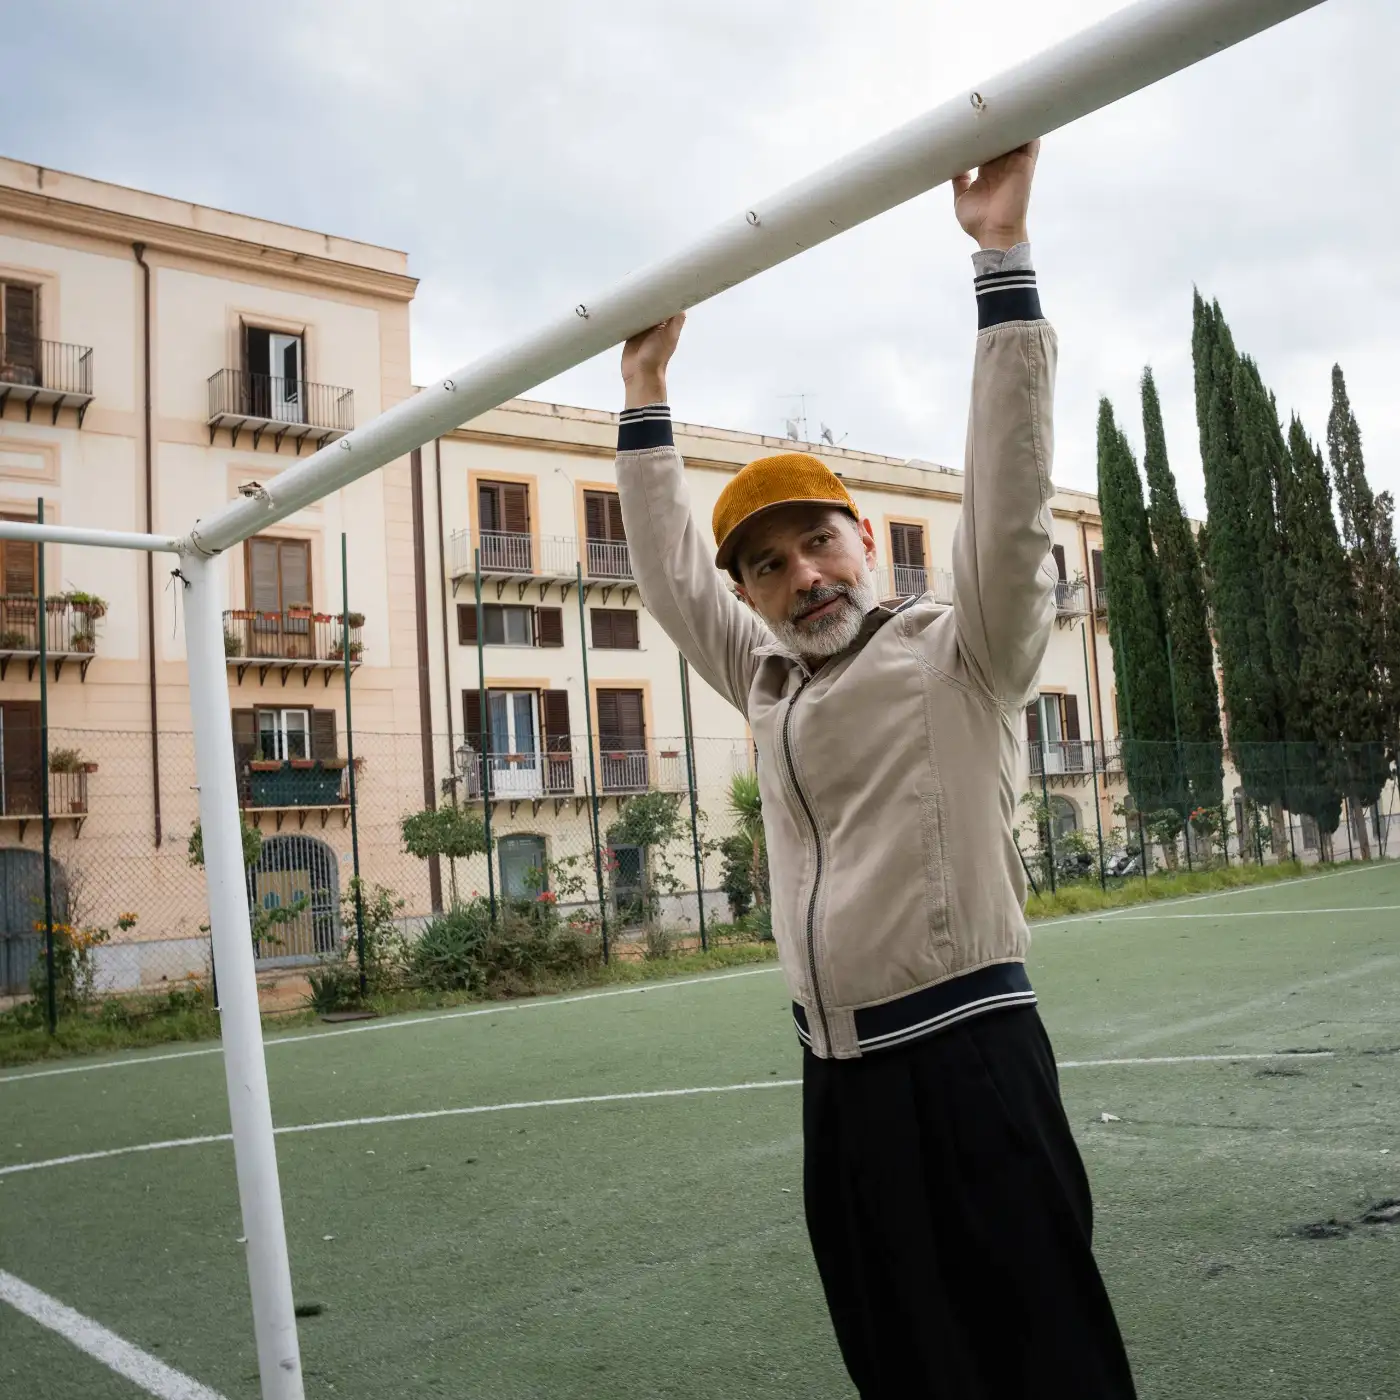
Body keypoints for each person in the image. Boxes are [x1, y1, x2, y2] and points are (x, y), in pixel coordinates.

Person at [613, 141, 1137, 1398]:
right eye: (771, 566)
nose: (804, 576)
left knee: (1043, 1361)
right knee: (900, 1364)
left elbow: (1008, 509)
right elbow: (671, 574)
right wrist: (642, 387)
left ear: (864, 537)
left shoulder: (962, 651)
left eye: (819, 542)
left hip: (968, 1059)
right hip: (835, 1083)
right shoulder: (766, 676)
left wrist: (998, 263)